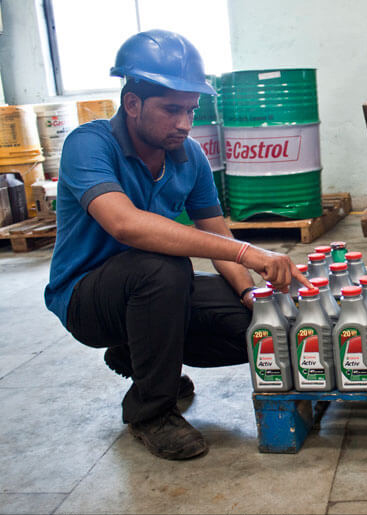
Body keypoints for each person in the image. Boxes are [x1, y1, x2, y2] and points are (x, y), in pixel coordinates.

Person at [44, 30, 311, 461]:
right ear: (132, 104)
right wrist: (251, 253)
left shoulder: (189, 156)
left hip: (152, 293)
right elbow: (126, 226)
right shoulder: (88, 145)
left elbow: (217, 234)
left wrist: (249, 294)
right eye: (172, 110)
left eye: (191, 109)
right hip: (87, 299)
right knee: (163, 267)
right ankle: (151, 411)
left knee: (261, 327)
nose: (185, 123)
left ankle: (140, 357)